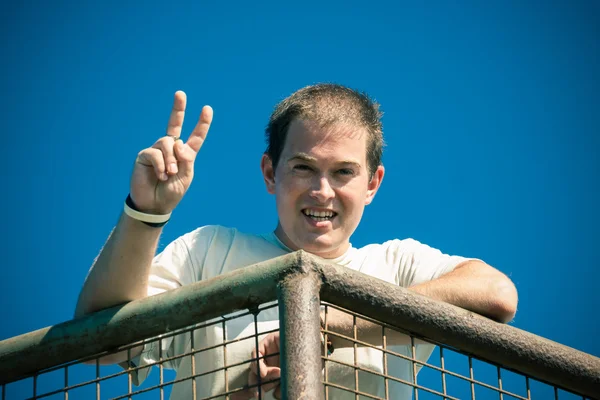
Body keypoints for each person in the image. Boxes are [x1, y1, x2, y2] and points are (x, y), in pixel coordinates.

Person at [75, 83, 518, 399]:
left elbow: (496, 294)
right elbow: (98, 350)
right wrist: (146, 211)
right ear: (270, 173)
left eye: (343, 172)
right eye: (303, 167)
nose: (322, 190)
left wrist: (320, 328)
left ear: (373, 184)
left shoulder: (396, 265)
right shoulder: (208, 251)